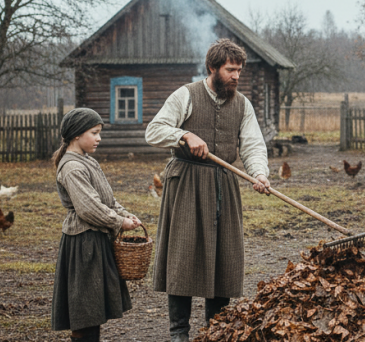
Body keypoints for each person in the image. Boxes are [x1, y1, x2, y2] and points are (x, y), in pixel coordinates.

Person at [146, 38, 271, 342]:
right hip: (186, 182)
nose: (236, 76)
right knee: (183, 253)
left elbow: (253, 144)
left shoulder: (242, 104)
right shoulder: (185, 95)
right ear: (213, 68)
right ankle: (179, 333)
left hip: (223, 183)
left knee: (224, 254)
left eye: (239, 70)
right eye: (230, 70)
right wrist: (185, 135)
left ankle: (216, 330)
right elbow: (154, 131)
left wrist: (259, 173)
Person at [51, 108, 142, 342]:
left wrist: (125, 214)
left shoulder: (88, 161)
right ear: (76, 134)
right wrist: (119, 222)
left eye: (99, 132)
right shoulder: (72, 167)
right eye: (94, 132)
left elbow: (106, 199)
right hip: (83, 243)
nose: (99, 138)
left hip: (96, 239)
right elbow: (88, 208)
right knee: (85, 311)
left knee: (94, 309)